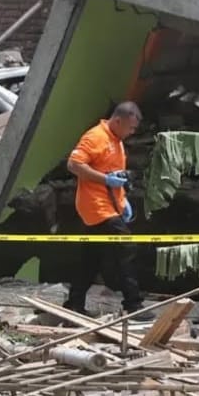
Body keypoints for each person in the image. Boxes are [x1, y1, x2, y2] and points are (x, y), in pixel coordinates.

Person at [64, 101, 154, 321]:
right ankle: (133, 305)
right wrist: (105, 179)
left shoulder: (116, 140)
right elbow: (74, 165)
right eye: (130, 127)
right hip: (97, 207)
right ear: (118, 120)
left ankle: (74, 302)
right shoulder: (96, 137)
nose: (132, 132)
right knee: (126, 249)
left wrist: (122, 202)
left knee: (91, 257)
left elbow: (115, 175)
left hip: (109, 205)